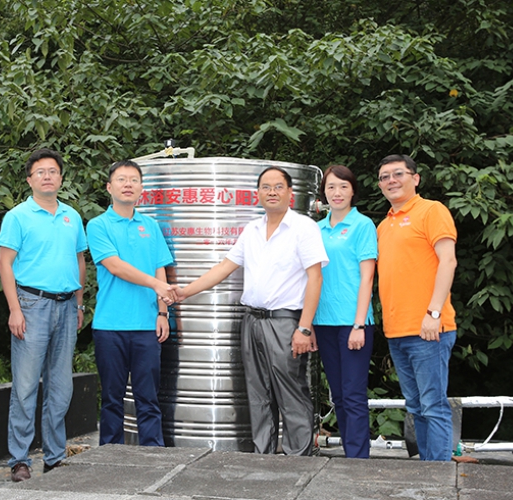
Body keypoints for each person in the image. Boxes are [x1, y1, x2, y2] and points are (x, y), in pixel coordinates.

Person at [172, 166, 328, 455]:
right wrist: (185, 291)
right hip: (252, 320)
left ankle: (299, 459)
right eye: (266, 187)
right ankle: (262, 456)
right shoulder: (252, 230)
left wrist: (304, 328)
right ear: (258, 194)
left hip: (285, 322)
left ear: (290, 193)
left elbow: (315, 278)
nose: (272, 192)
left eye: (278, 187)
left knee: (291, 392)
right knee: (258, 393)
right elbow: (224, 268)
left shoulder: (303, 227)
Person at [0, 148, 87, 481]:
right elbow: (5, 263)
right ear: (29, 179)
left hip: (67, 306)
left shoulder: (72, 216)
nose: (47, 176)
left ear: (61, 178)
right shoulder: (18, 216)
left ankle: (54, 456)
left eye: (53, 171)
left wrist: (79, 304)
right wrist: (14, 309)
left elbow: (79, 261)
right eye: (40, 172)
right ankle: (20, 459)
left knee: (60, 387)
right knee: (25, 387)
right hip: (31, 305)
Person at [86, 160, 175, 446]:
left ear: (141, 189)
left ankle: (153, 453)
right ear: (109, 187)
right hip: (110, 325)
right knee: (112, 398)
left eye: (134, 180)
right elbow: (115, 266)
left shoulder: (151, 226)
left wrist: (163, 312)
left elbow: (160, 268)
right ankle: (111, 456)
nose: (128, 184)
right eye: (121, 179)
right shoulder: (98, 225)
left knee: (148, 397)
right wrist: (156, 285)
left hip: (147, 325)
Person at [376, 153, 458, 461]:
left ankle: (438, 473)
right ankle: (426, 468)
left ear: (415, 178)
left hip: (429, 329)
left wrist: (433, 313)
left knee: (433, 405)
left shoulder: (431, 210)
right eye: (384, 177)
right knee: (415, 406)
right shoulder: (383, 225)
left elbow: (448, 261)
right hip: (397, 332)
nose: (391, 181)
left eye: (398, 174)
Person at [312, 165, 377, 459]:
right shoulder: (317, 229)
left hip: (353, 322)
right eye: (331, 187)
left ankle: (358, 459)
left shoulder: (362, 225)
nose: (336, 193)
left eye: (343, 186)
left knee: (353, 394)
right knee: (338, 394)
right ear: (323, 193)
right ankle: (351, 454)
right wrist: (309, 324)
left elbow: (368, 277)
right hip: (323, 321)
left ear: (353, 191)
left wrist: (359, 324)